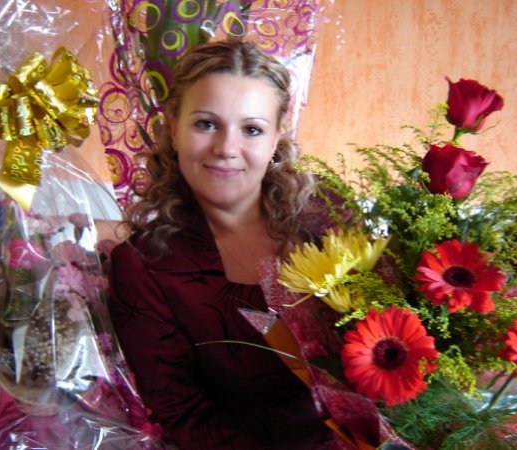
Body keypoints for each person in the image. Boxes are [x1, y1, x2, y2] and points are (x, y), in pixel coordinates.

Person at [108, 39, 378, 450]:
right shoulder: (146, 265)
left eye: (251, 129)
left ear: (275, 139)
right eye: (205, 124)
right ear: (174, 129)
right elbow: (182, 412)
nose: (226, 148)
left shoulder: (327, 211)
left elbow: (397, 329)